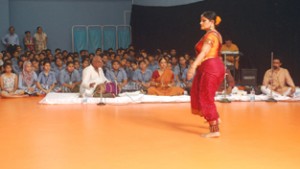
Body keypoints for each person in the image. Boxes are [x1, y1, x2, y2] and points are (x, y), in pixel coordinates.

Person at [187, 11, 225, 138]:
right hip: (210, 67)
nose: (200, 23)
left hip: (210, 67)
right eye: (201, 20)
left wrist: (193, 67)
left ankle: (214, 130)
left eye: (204, 20)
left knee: (206, 97)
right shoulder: (213, 34)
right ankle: (215, 118)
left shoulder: (211, 36)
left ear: (212, 22)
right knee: (197, 92)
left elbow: (204, 53)